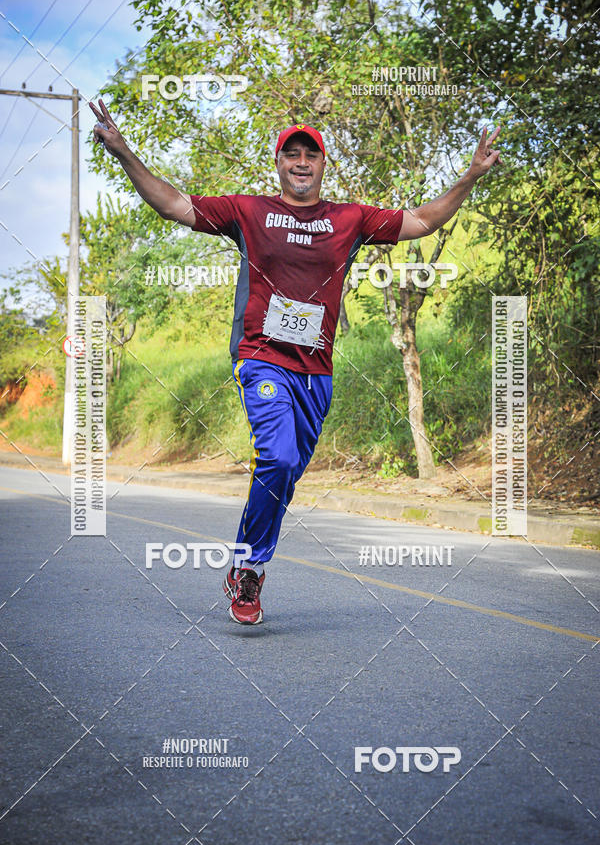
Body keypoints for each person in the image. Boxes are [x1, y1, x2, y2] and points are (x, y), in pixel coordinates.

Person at [90, 99, 501, 625]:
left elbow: (421, 221)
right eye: (292, 154)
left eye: (311, 154)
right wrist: (124, 152)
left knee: (284, 476)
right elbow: (175, 205)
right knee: (278, 458)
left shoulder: (349, 219)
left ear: (323, 164)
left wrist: (469, 176)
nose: (301, 162)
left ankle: (243, 560)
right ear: (278, 164)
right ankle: (251, 570)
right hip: (261, 359)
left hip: (317, 373)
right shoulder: (249, 211)